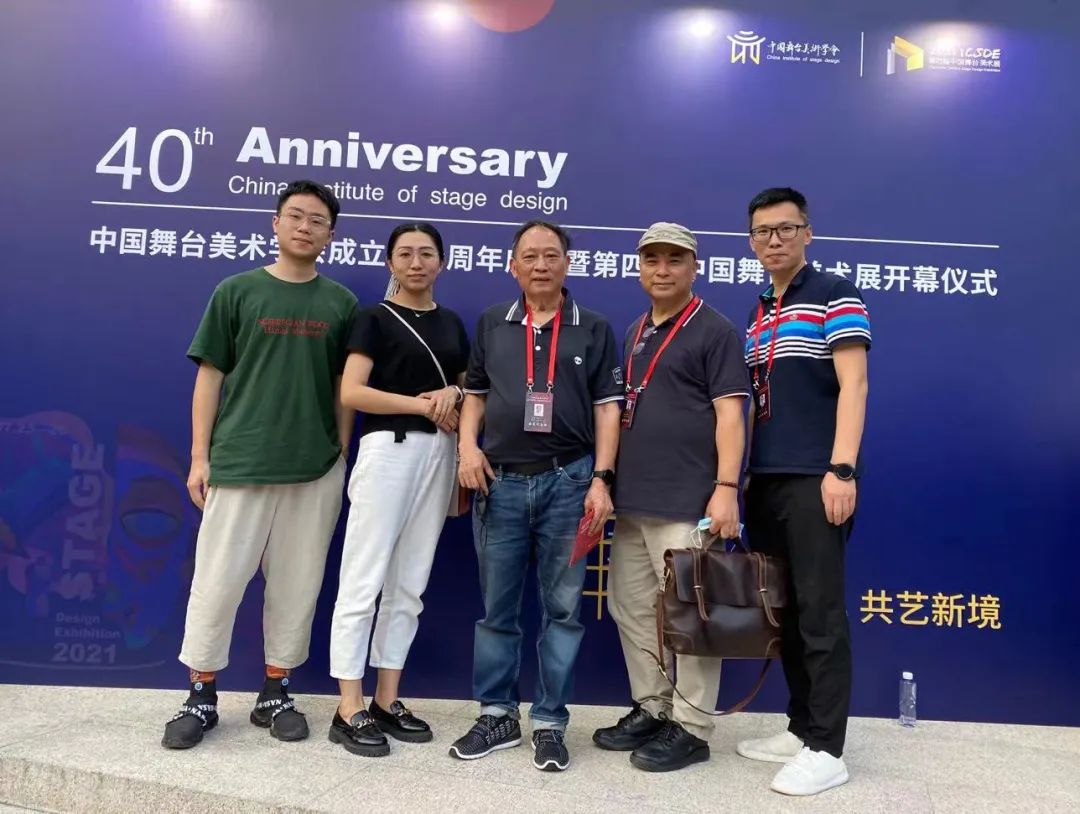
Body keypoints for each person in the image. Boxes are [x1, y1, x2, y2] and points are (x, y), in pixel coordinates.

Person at [162, 180, 357, 749]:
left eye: (317, 220)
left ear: (330, 234)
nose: (304, 227)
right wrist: (199, 456)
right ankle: (200, 695)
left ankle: (276, 691)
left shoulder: (341, 303)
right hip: (240, 461)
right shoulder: (236, 290)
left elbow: (344, 387)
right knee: (217, 583)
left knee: (297, 584)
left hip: (314, 467)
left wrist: (340, 452)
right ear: (275, 223)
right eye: (295, 216)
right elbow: (210, 376)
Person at [450, 220, 622, 772]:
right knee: (497, 610)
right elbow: (475, 395)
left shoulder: (592, 327)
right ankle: (497, 714)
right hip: (499, 483)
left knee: (564, 610)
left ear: (567, 264)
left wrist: (602, 478)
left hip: (569, 484)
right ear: (513, 266)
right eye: (530, 256)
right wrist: (467, 449)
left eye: (551, 255)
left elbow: (608, 408)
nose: (541, 265)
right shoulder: (492, 323)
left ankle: (550, 721)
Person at [592, 222, 749, 772]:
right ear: (639, 268)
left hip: (689, 502)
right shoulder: (635, 330)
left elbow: (731, 416)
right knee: (632, 609)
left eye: (674, 260)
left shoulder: (715, 330)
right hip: (634, 501)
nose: (662, 270)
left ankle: (693, 726)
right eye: (652, 260)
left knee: (691, 616)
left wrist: (725, 489)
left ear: (694, 268)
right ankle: (653, 707)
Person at [735, 188, 871, 796]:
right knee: (784, 609)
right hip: (766, 479)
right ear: (751, 242)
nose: (774, 240)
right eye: (762, 232)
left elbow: (854, 385)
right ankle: (800, 727)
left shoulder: (834, 293)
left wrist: (842, 469)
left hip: (818, 477)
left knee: (819, 611)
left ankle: (827, 748)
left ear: (807, 233)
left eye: (785, 229)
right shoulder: (759, 310)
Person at [327, 223, 469, 757]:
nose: (416, 262)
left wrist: (453, 393)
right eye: (404, 254)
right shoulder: (374, 318)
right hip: (388, 449)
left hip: (440, 454)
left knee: (409, 583)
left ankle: (387, 698)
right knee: (363, 579)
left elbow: (467, 387)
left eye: (426, 253)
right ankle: (349, 705)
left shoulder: (451, 322)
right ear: (390, 262)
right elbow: (352, 391)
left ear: (442, 263)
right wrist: (422, 404)